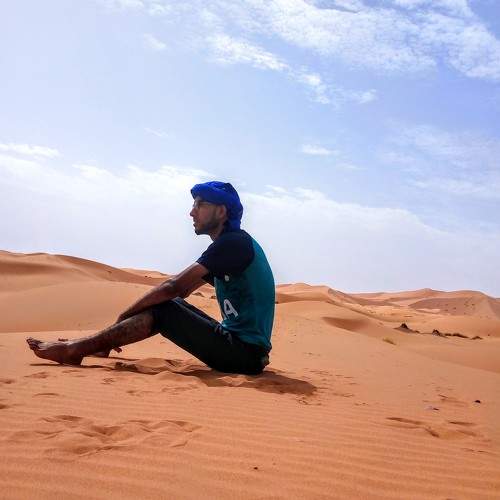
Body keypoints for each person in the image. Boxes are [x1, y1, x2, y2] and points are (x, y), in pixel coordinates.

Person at [26, 181, 275, 375]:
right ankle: (93, 346)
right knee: (168, 305)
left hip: (243, 355)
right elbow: (183, 291)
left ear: (221, 211)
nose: (191, 212)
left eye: (200, 205)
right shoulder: (232, 246)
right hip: (241, 350)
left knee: (164, 309)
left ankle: (75, 349)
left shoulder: (233, 244)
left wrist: (122, 318)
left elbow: (172, 287)